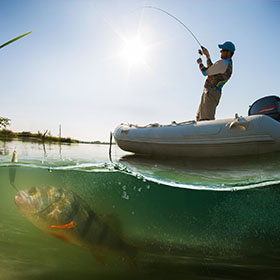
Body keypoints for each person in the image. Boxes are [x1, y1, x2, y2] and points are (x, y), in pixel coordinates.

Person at [196, 41, 235, 121]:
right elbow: (212, 69)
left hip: (210, 93)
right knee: (200, 117)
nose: (220, 52)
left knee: (205, 120)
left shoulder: (223, 63)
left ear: (228, 52)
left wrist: (200, 63)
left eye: (222, 50)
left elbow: (205, 72)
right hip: (212, 92)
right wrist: (207, 56)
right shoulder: (227, 64)